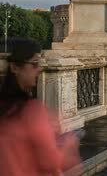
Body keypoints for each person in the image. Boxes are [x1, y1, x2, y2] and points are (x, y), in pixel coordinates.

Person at [0, 37, 81, 175]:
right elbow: (51, 161)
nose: (39, 69)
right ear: (15, 67)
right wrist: (69, 145)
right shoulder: (31, 110)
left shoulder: (6, 107)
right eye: (34, 64)